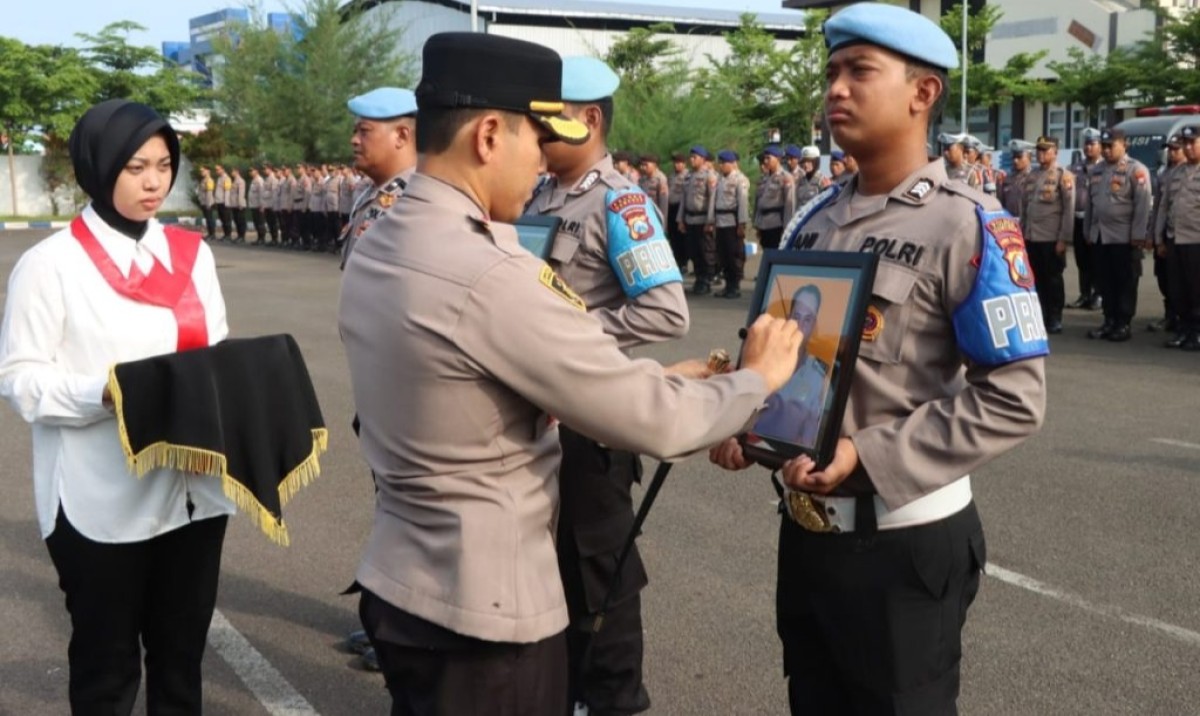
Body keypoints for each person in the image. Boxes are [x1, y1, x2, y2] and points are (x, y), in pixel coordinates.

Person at [339, 32, 802, 716]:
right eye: (537, 140)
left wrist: (608, 367)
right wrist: (755, 380)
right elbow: (655, 421)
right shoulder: (489, 270)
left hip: (406, 581)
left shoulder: (385, 238)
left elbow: (471, 380)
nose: (542, 160)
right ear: (490, 135)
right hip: (482, 610)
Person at [709, 4, 1047, 712]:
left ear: (922, 94)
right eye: (832, 72)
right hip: (806, 535)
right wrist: (745, 418)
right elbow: (791, 356)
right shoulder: (815, 218)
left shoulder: (970, 222)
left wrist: (871, 454)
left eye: (859, 71)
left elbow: (1014, 397)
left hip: (903, 547)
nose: (836, 89)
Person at [0, 99, 234, 715]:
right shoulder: (50, 265)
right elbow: (21, 380)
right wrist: (102, 394)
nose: (154, 181)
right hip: (98, 499)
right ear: (98, 167)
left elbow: (215, 352)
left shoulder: (192, 255)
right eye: (135, 167)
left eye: (163, 165)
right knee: (107, 669)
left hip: (192, 493)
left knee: (181, 663)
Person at [525, 54, 688, 716]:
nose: (533, 135)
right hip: (536, 424)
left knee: (601, 584)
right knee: (547, 580)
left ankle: (616, 702)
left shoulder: (620, 201)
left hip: (589, 431)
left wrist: (574, 337)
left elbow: (666, 309)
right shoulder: (537, 197)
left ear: (589, 119)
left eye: (548, 122)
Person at [339, 87, 419, 267]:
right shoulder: (370, 193)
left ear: (401, 136)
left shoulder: (416, 199)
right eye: (355, 131)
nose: (354, 140)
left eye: (364, 131)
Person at [1085, 127, 1152, 342]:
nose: (1105, 151)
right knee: (1105, 281)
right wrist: (1088, 231)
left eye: (1110, 146)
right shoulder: (1097, 170)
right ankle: (1109, 320)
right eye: (1103, 146)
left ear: (1124, 145)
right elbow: (1091, 206)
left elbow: (1142, 205)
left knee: (1125, 282)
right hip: (1100, 236)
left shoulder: (1136, 170)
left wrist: (1138, 234)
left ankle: (1123, 323)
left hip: (1123, 237)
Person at [750, 284, 828, 447]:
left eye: (808, 319)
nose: (800, 326)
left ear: (814, 325)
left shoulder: (819, 379)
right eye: (796, 317)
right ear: (788, 318)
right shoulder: (763, 358)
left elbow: (808, 440)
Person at [1021, 136, 1075, 334]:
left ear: (1055, 152)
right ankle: (1040, 315)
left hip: (1052, 238)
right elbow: (1025, 207)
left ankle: (1055, 317)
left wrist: (1064, 239)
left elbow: (1068, 210)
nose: (1041, 154)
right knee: (1035, 279)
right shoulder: (1032, 175)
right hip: (1032, 237)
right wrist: (1023, 234)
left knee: (1053, 279)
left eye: (1046, 150)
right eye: (1039, 150)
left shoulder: (1063, 176)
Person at [1154, 125, 1200, 350]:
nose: (1188, 148)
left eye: (1193, 143)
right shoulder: (1176, 173)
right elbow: (1163, 207)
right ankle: (1184, 330)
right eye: (1186, 143)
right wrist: (1160, 239)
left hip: (1196, 241)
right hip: (1175, 239)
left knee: (1196, 289)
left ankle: (1197, 333)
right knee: (1177, 289)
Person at [1148, 134, 1185, 335]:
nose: (1172, 153)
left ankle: (1183, 320)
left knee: (1182, 281)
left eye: (1176, 149)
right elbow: (1159, 208)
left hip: (1185, 235)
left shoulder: (1188, 172)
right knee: (1164, 277)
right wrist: (1154, 235)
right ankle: (1170, 315)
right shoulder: (1163, 173)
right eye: (1169, 149)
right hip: (1165, 232)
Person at [676, 145, 718, 294]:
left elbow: (712, 199)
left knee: (705, 251)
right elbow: (683, 199)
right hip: (690, 219)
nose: (691, 160)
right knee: (693, 251)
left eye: (695, 157)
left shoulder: (709, 175)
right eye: (691, 157)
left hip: (702, 219)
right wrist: (680, 219)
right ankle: (699, 278)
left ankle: (706, 280)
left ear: (703, 159)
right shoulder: (688, 176)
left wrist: (710, 220)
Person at [1069, 128, 1103, 309]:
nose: (1088, 148)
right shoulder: (1075, 167)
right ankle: (1084, 294)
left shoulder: (1104, 167)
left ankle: (1099, 294)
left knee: (1096, 260)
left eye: (1092, 144)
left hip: (1097, 221)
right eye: (1086, 144)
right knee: (1081, 259)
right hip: (1078, 219)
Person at [711, 149, 750, 298]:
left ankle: (735, 286)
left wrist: (741, 223)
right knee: (723, 255)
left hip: (732, 222)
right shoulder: (720, 179)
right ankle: (727, 285)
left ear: (732, 164)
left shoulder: (740, 179)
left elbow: (743, 202)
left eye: (723, 163)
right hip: (720, 221)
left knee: (734, 255)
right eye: (720, 163)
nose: (721, 166)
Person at [754, 144, 795, 251]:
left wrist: (786, 228)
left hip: (776, 224)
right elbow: (759, 202)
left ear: (778, 159)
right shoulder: (764, 178)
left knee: (775, 253)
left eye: (769, 158)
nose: (766, 161)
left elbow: (789, 205)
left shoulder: (786, 177)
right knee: (766, 253)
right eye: (765, 158)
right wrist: (757, 224)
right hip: (763, 224)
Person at [666, 151, 690, 272]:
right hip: (671, 208)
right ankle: (676, 260)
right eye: (675, 163)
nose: (677, 165)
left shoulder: (688, 176)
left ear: (684, 164)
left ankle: (684, 262)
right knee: (673, 236)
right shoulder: (671, 176)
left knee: (682, 237)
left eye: (679, 163)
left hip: (681, 208)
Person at [1002, 139, 1034, 217]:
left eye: (1019, 157)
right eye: (1014, 157)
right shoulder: (1007, 178)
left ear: (1029, 157)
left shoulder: (1034, 177)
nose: (1015, 160)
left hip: (1028, 223)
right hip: (1010, 223)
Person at [637, 153, 670, 222]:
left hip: (655, 216)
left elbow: (663, 205)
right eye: (642, 165)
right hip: (644, 214)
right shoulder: (643, 179)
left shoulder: (661, 179)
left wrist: (662, 222)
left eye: (646, 165)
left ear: (654, 165)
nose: (642, 167)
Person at [248, 167, 267, 245]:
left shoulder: (259, 180)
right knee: (256, 222)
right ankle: (259, 237)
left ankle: (262, 238)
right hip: (254, 205)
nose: (250, 172)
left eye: (252, 170)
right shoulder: (253, 180)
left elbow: (261, 193)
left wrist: (262, 205)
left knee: (260, 222)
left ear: (256, 171)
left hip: (259, 205)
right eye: (250, 171)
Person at [214, 164, 233, 240]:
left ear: (223, 169)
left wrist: (226, 202)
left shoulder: (227, 178)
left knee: (226, 219)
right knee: (222, 219)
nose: (217, 171)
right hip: (219, 202)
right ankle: (225, 234)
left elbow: (227, 191)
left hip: (224, 202)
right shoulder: (219, 178)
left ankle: (228, 235)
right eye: (216, 170)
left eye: (218, 169)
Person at [198, 166, 217, 240]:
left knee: (210, 219)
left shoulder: (209, 180)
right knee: (207, 219)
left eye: (203, 171)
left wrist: (208, 204)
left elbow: (209, 193)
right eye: (201, 171)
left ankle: (212, 234)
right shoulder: (203, 180)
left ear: (208, 171)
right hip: (204, 202)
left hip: (208, 203)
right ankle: (210, 233)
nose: (201, 172)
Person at [230, 167, 248, 243]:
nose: (232, 173)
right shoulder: (234, 181)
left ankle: (242, 236)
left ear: (237, 172)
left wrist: (240, 204)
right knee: (236, 220)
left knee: (241, 221)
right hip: (234, 204)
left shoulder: (240, 181)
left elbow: (241, 193)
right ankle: (239, 235)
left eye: (233, 171)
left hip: (239, 205)